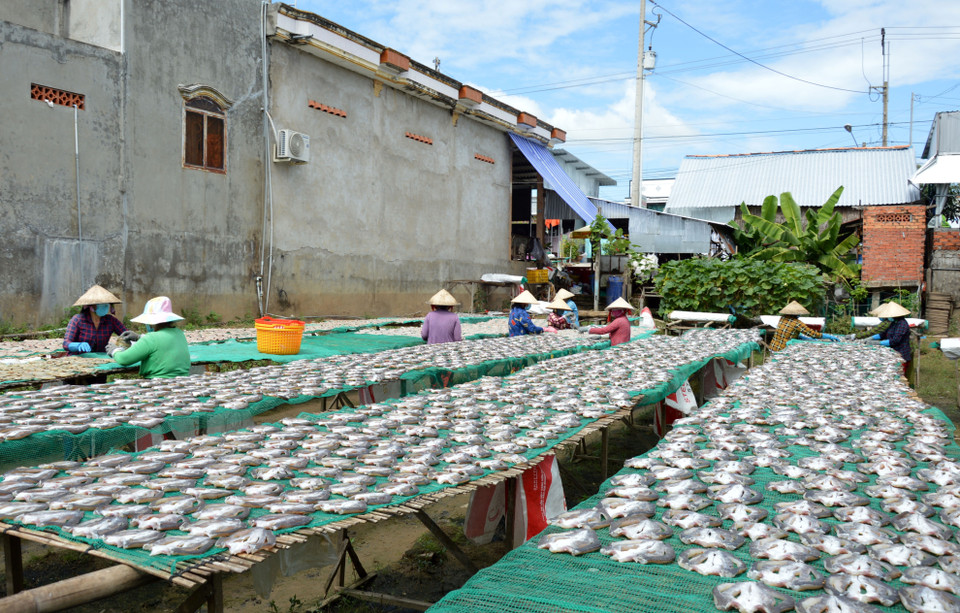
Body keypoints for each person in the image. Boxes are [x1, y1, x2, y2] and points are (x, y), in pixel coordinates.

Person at [109, 296, 190, 379]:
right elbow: (160, 343)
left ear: (152, 322)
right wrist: (139, 337)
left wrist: (114, 351)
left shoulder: (150, 338)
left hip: (158, 384)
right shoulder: (179, 334)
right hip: (182, 381)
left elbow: (124, 359)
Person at [63, 285, 130, 354]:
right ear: (91, 307)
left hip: (100, 358)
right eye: (101, 304)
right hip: (78, 357)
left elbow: (127, 334)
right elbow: (66, 343)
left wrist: (135, 338)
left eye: (107, 304)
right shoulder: (78, 320)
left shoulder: (111, 321)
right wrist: (77, 346)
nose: (105, 306)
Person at [871, 301, 914, 386]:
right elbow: (883, 334)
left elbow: (895, 340)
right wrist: (872, 338)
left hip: (901, 355)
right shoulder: (893, 323)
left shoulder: (902, 324)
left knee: (898, 379)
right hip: (893, 354)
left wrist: (878, 343)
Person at [768, 300, 838, 351]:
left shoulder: (782, 318)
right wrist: (826, 336)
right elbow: (812, 334)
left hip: (773, 347)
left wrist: (799, 336)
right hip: (782, 349)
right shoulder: (797, 323)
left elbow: (787, 332)